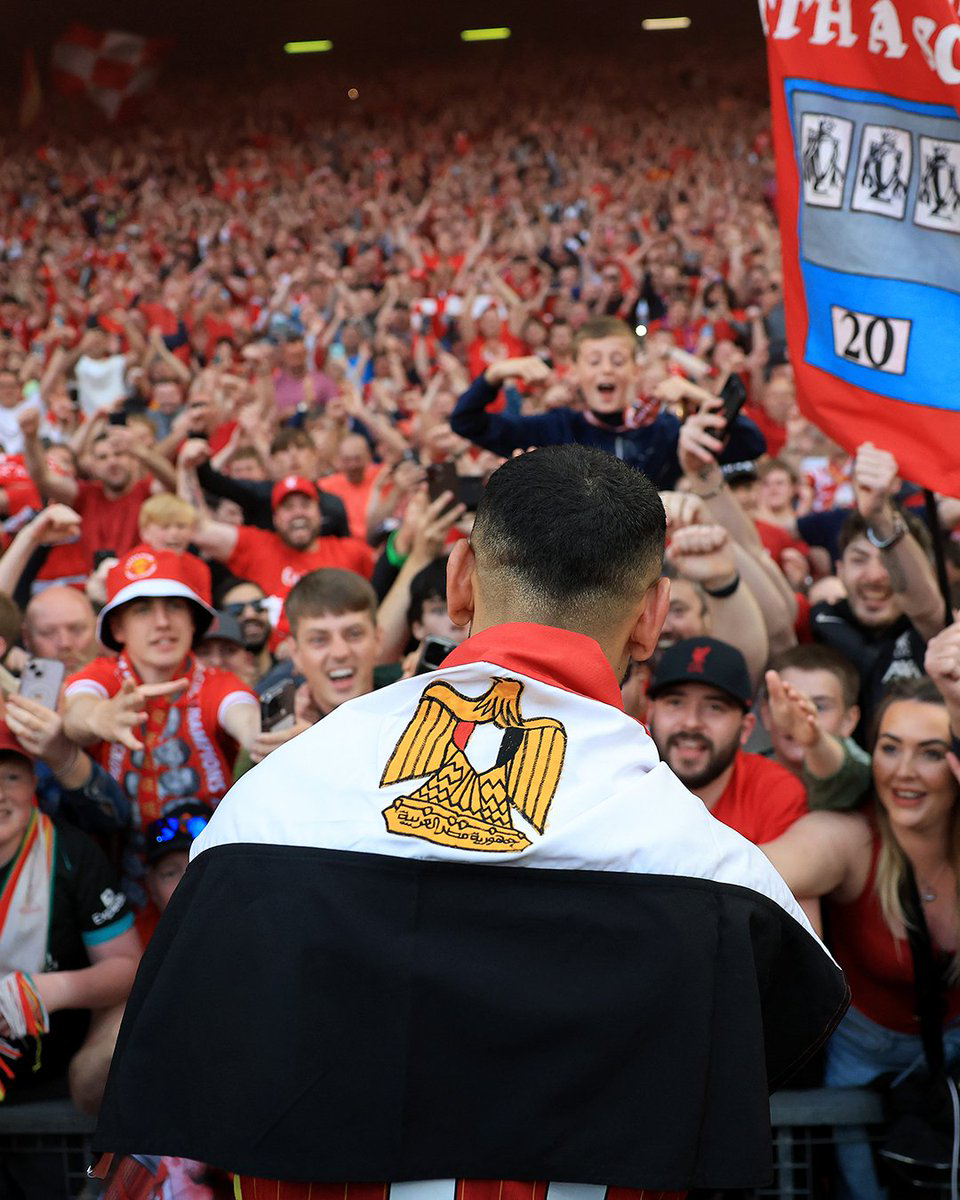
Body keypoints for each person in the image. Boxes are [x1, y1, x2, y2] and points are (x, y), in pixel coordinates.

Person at [95, 446, 846, 1197]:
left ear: (459, 580)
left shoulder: (265, 812)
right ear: (652, 618)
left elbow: (193, 1070)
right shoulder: (723, 879)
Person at [763, 664, 960, 1200]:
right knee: (863, 1189)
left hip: (956, 1047)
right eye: (890, 748)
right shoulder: (851, 838)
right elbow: (746, 869)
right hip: (862, 1054)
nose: (904, 772)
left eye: (931, 752)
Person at [0, 720, 139, 1196]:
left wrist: (53, 990)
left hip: (56, 1083)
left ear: (34, 781)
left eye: (11, 776)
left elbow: (127, 967)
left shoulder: (71, 852)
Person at [62, 547, 260, 837]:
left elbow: (241, 712)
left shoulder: (219, 682)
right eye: (143, 609)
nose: (162, 622)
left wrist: (260, 735)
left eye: (175, 606)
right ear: (117, 628)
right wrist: (98, 717)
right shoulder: (102, 674)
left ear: (193, 621)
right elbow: (77, 707)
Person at [449, 316, 766, 488]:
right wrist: (495, 374)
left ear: (635, 369)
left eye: (617, 360)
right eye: (594, 360)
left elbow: (752, 444)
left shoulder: (666, 430)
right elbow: (466, 422)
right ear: (575, 370)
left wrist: (701, 397)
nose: (606, 369)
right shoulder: (554, 429)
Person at [811, 442, 946, 725]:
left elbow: (927, 608)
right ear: (840, 569)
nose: (875, 577)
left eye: (889, 562)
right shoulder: (817, 619)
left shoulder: (938, 634)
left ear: (927, 572)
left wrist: (880, 518)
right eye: (860, 560)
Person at [647, 637, 809, 845]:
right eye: (675, 702)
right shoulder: (621, 780)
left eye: (714, 707)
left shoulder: (774, 792)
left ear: (746, 728)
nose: (691, 722)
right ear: (650, 713)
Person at [189, 473, 375, 606]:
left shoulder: (353, 552)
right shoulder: (254, 544)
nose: (298, 513)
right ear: (275, 518)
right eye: (288, 507)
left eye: (305, 505)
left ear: (319, 513)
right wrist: (185, 467)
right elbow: (197, 529)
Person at [761, 644, 871, 810]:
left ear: (849, 720)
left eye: (819, 707)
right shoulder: (740, 775)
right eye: (788, 702)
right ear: (766, 714)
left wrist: (815, 741)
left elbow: (849, 777)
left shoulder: (871, 778)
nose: (800, 714)